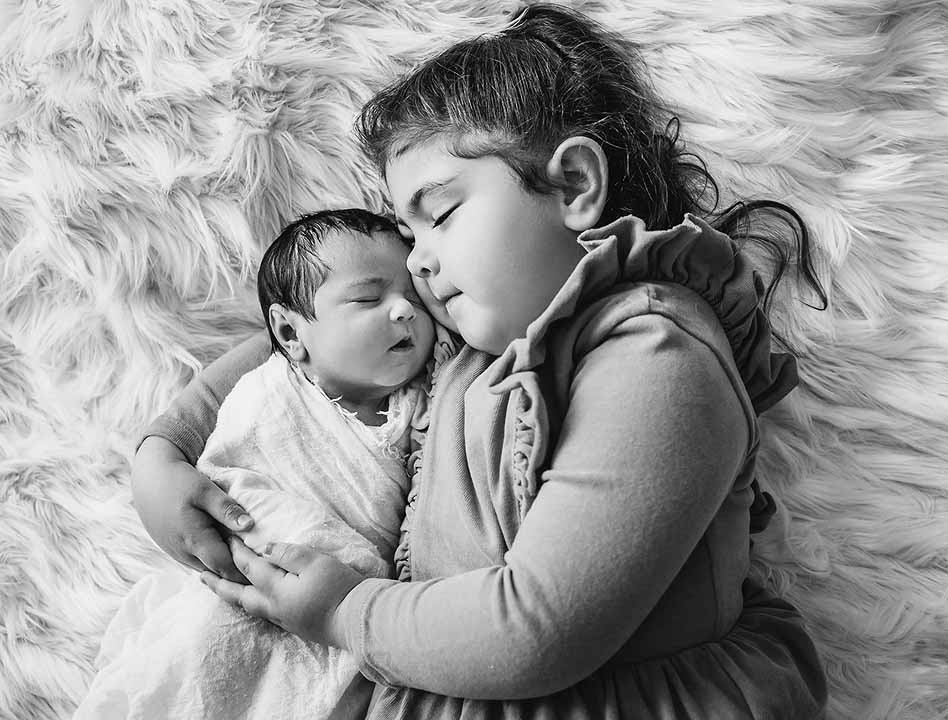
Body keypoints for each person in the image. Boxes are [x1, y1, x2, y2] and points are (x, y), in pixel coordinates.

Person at [133, 4, 831, 717]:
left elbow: (538, 630)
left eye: (438, 214)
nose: (420, 262)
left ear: (573, 186)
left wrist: (345, 613)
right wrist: (164, 452)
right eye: (405, 235)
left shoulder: (657, 353)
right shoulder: (468, 335)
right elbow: (308, 338)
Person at [76, 209, 440, 720]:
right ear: (292, 335)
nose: (404, 310)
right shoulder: (271, 395)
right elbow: (234, 483)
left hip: (352, 619)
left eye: (413, 295)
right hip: (251, 590)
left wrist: (360, 597)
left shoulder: (429, 395)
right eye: (368, 298)